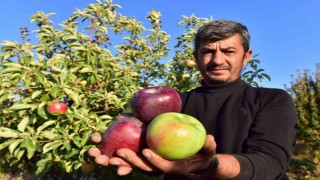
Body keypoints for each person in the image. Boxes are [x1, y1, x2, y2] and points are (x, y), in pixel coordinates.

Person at [89, 20, 297, 179]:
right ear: (196, 56)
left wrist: (209, 165)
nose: (217, 60)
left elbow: (270, 163)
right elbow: (153, 152)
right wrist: (122, 144)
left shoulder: (272, 100)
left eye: (228, 51)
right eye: (207, 51)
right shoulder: (174, 104)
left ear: (246, 57)